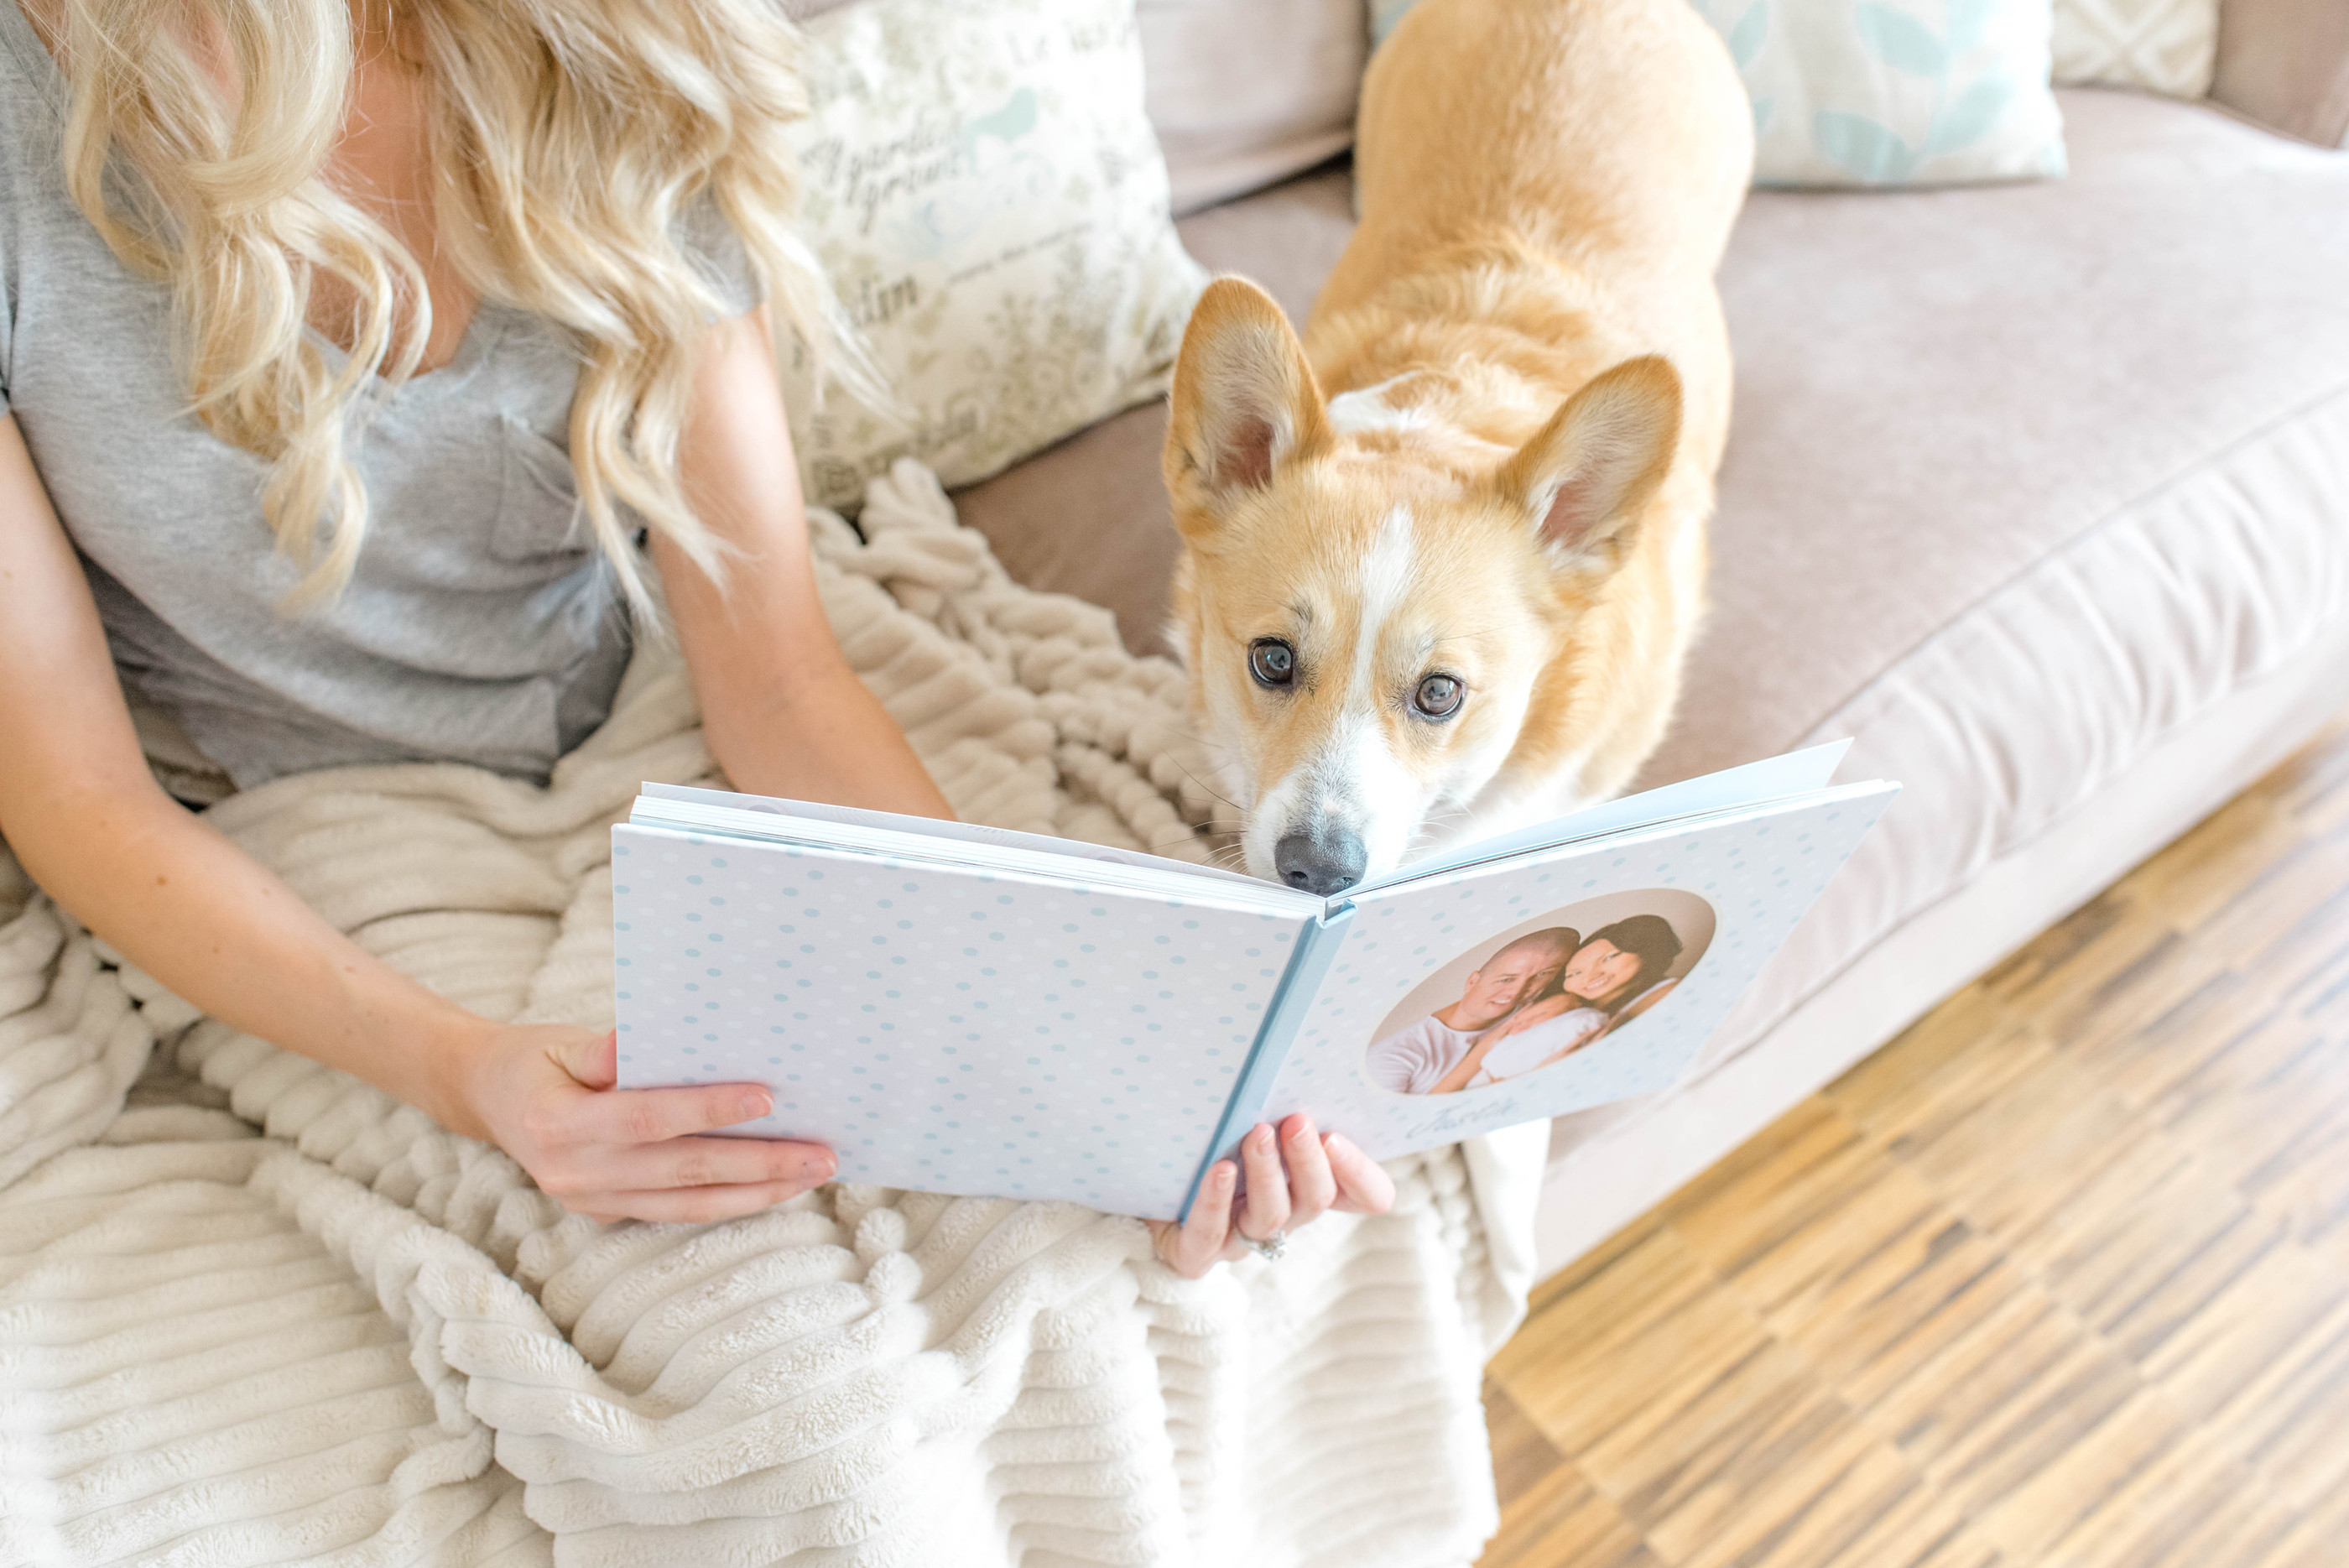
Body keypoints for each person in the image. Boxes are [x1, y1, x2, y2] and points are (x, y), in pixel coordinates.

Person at [0, 0, 1389, 1279]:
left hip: (653, 715)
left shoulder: (615, 43)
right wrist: (465, 1068)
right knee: (762, 1347)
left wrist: (1105, 1098)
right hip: (286, 829)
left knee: (1051, 1255)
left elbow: (778, 678)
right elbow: (77, 794)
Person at [1463, 914, 1685, 1084]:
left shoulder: (1667, 994)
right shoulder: (1563, 1011)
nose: (1592, 976)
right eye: (1574, 974)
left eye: (1609, 958)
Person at [1365, 928, 1576, 1095]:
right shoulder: (1393, 1056)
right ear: (1472, 981)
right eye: (1507, 979)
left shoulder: (1543, 1014)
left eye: (1541, 976)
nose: (1517, 991)